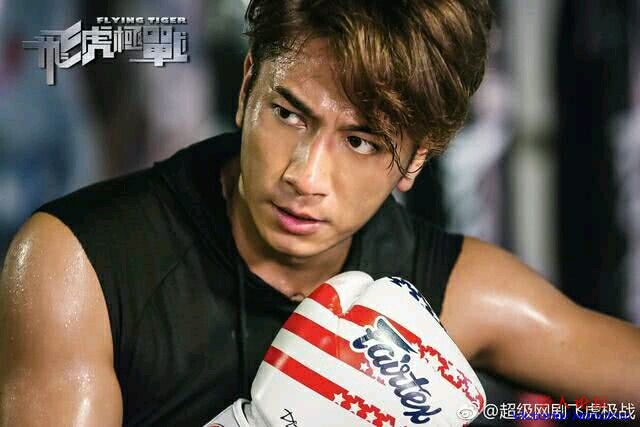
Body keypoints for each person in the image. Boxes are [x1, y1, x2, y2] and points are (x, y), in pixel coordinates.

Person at [1, 0, 639, 425]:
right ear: (247, 86)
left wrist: (519, 416)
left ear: (416, 160)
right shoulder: (80, 266)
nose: (304, 177)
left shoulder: (456, 294)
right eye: (288, 114)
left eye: (360, 142)